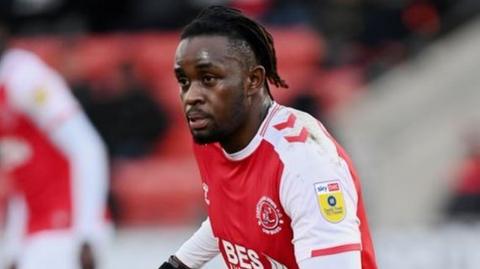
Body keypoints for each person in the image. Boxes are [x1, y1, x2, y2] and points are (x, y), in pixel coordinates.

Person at [159, 5, 377, 269]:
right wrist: (178, 264)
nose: (191, 96)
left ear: (253, 80)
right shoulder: (214, 136)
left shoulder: (304, 163)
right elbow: (226, 218)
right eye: (184, 81)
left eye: (208, 78)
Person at [0, 15, 112, 269]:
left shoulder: (25, 76)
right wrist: (15, 246)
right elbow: (20, 171)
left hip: (65, 227)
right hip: (37, 229)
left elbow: (87, 148)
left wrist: (87, 233)